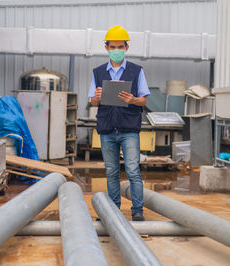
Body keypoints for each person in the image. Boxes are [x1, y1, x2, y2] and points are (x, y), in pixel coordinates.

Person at [88, 25, 150, 221]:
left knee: (133, 170)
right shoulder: (98, 72)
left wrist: (132, 100)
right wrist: (97, 97)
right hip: (107, 129)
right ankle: (113, 210)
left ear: (126, 48)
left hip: (129, 129)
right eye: (112, 47)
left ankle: (137, 211)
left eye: (120, 47)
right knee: (111, 171)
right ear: (106, 48)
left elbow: (144, 100)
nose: (116, 51)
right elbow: (92, 101)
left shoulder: (136, 71)